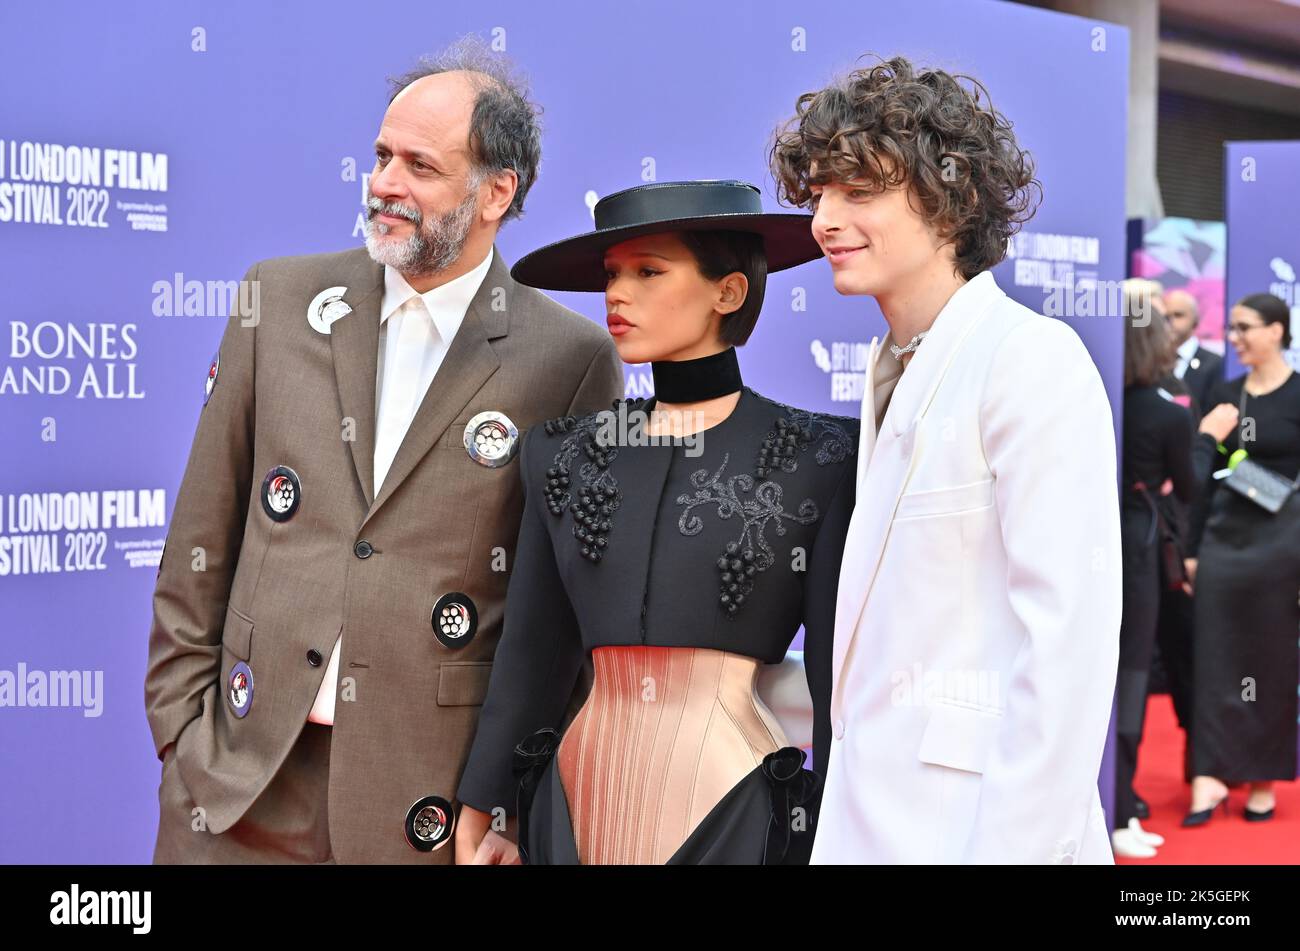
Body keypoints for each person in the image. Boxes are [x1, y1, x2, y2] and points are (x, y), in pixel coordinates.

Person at [144, 40, 623, 864]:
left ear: (495, 193)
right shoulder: (281, 301)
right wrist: (184, 741)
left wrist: (507, 803)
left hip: (427, 809)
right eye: (380, 156)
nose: (384, 185)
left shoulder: (567, 359)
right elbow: (201, 537)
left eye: (420, 166)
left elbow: (560, 620)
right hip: (235, 791)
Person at [771, 55, 1121, 863]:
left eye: (859, 191)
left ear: (950, 198)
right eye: (819, 191)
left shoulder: (1031, 359)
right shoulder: (891, 366)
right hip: (875, 819)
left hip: (981, 831)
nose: (824, 218)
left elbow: (1066, 652)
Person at [454, 179, 859, 865]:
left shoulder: (823, 455)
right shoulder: (562, 453)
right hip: (570, 807)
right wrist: (486, 807)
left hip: (737, 807)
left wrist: (848, 831)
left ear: (727, 292)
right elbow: (531, 654)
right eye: (612, 274)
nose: (617, 294)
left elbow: (834, 680)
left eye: (648, 271)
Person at [1109, 284, 1234, 858]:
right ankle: (1120, 802)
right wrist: (1207, 439)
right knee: (1132, 673)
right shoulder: (1166, 415)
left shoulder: (1100, 402)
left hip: (1094, 542)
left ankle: (1116, 798)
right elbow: (1188, 485)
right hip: (1137, 549)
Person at [1184, 292, 1300, 826]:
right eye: (1230, 328)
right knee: (1213, 658)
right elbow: (1201, 477)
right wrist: (1188, 550)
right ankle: (1208, 777)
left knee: (1269, 664)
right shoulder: (1224, 394)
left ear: (1277, 331)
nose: (1234, 338)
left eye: (1245, 327)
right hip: (1222, 544)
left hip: (1282, 546)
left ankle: (1260, 779)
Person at [1166, 288, 1224, 419]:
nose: (1171, 322)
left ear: (1196, 320)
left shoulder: (1215, 364)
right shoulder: (1153, 362)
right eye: (1166, 316)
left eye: (1178, 315)